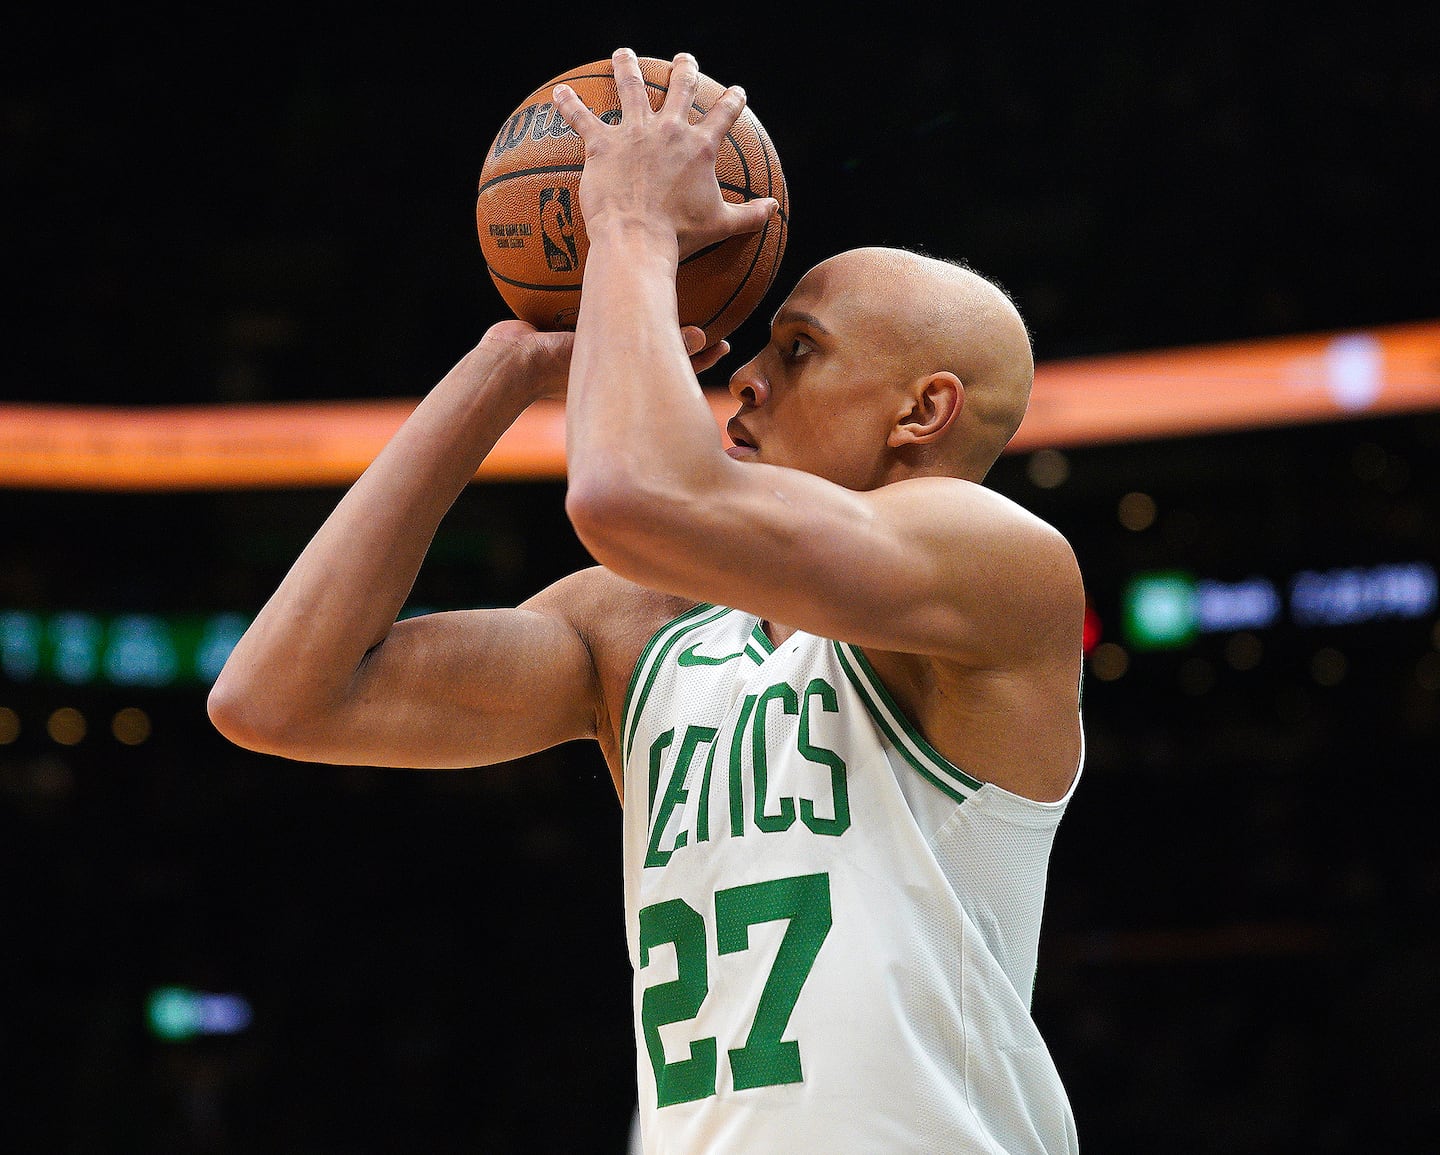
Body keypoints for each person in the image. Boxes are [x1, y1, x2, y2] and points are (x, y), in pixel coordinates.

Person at [209, 48, 1085, 1154]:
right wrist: (497, 373)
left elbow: (632, 494)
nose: (745, 378)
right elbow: (276, 699)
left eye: (799, 351)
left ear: (923, 413)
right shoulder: (641, 629)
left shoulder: (1004, 563)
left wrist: (626, 224)